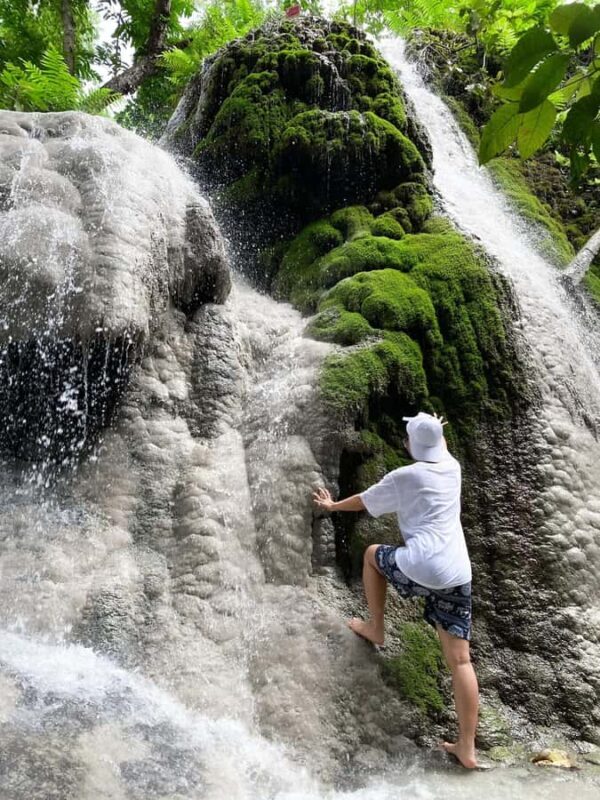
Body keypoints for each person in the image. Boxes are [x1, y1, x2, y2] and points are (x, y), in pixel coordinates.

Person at [313, 411, 479, 769]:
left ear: (411, 445)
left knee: (374, 556)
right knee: (461, 660)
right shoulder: (452, 467)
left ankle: (376, 627)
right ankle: (467, 748)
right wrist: (432, 426)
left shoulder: (405, 477)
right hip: (456, 572)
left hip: (422, 566)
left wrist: (331, 506)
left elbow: (362, 501)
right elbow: (435, 442)